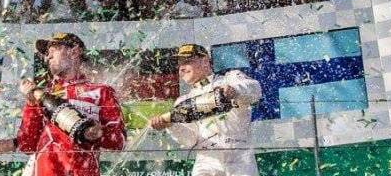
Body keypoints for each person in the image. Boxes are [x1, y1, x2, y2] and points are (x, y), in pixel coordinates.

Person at [16, 33, 125, 176]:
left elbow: (119, 142)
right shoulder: (41, 96)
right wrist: (31, 105)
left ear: (74, 52)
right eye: (46, 53)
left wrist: (100, 133)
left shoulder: (102, 91)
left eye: (53, 49)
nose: (47, 57)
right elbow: (26, 145)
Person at [149, 44, 262, 176]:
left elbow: (255, 90)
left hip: (239, 156)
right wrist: (170, 125)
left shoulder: (230, 79)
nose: (181, 68)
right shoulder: (182, 102)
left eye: (186, 61)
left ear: (205, 61)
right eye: (179, 64)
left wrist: (234, 90)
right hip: (206, 160)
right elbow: (190, 140)